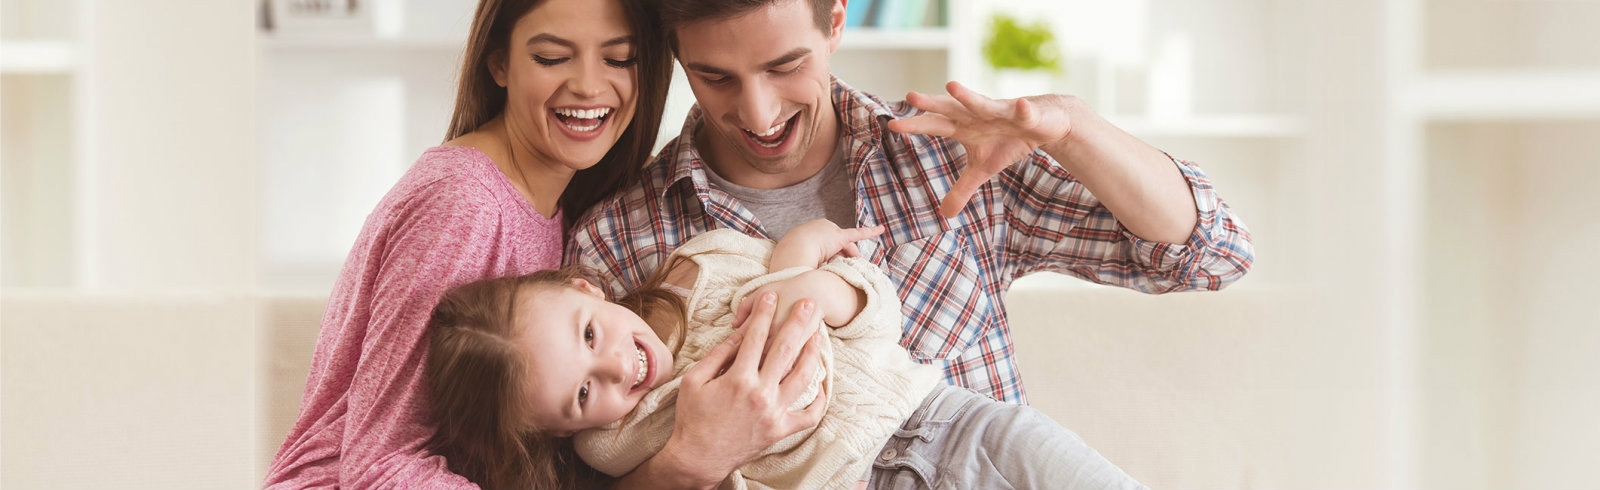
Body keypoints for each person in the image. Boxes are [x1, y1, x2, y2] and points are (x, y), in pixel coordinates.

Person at [565, 0, 1257, 486]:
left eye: (784, 66)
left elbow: (1213, 253)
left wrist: (1073, 129)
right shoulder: (620, 240)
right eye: (715, 77)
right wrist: (689, 460)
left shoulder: (947, 159)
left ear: (837, 19)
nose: (759, 112)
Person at [262, 0, 679, 486]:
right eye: (551, 58)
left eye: (619, 58)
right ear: (498, 62)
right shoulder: (464, 204)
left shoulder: (562, 202)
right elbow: (379, 467)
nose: (588, 85)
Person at [426, 220, 1148, 489]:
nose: (617, 367)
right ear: (559, 430)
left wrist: (824, 286)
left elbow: (874, 314)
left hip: (956, 424)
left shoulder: (702, 265)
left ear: (583, 285)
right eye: (582, 393)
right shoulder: (615, 447)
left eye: (590, 334)